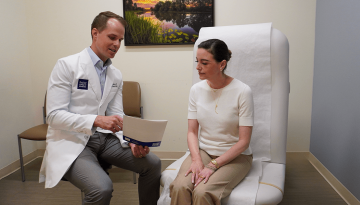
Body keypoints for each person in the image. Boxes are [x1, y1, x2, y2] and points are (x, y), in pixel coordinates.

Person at [39, 11, 161, 205]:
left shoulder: (115, 75)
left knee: (153, 164)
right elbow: (53, 116)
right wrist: (95, 119)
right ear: (95, 33)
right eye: (112, 37)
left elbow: (116, 114)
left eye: (120, 39)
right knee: (101, 188)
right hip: (72, 140)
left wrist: (132, 140)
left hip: (103, 138)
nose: (117, 45)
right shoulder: (67, 66)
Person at [169, 39, 254, 205]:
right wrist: (196, 160)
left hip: (236, 156)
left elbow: (244, 142)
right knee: (180, 186)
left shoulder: (243, 91)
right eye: (197, 61)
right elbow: (192, 131)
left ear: (222, 64)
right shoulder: (196, 90)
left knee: (202, 192)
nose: (198, 67)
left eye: (204, 63)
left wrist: (213, 165)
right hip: (205, 151)